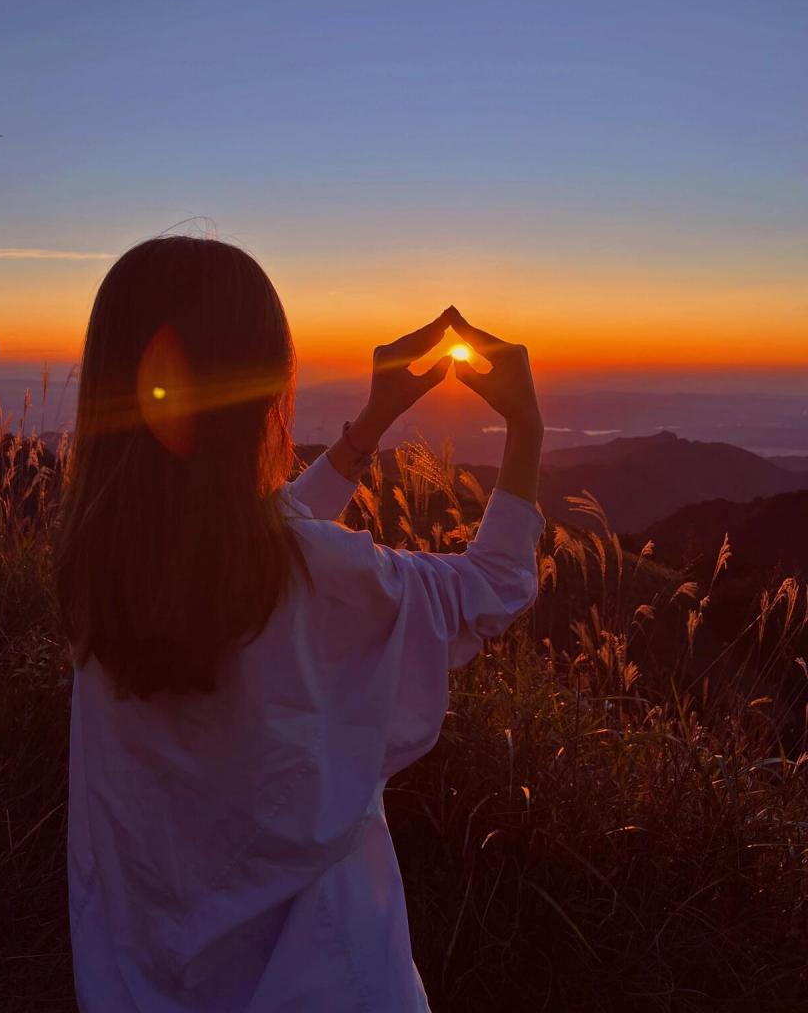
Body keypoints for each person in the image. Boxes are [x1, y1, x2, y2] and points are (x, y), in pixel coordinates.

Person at [55, 234, 545, 1013]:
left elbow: (234, 538)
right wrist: (526, 429)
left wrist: (365, 431)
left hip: (141, 979)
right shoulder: (313, 576)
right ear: (260, 393)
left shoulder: (103, 569)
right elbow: (496, 585)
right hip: (324, 980)